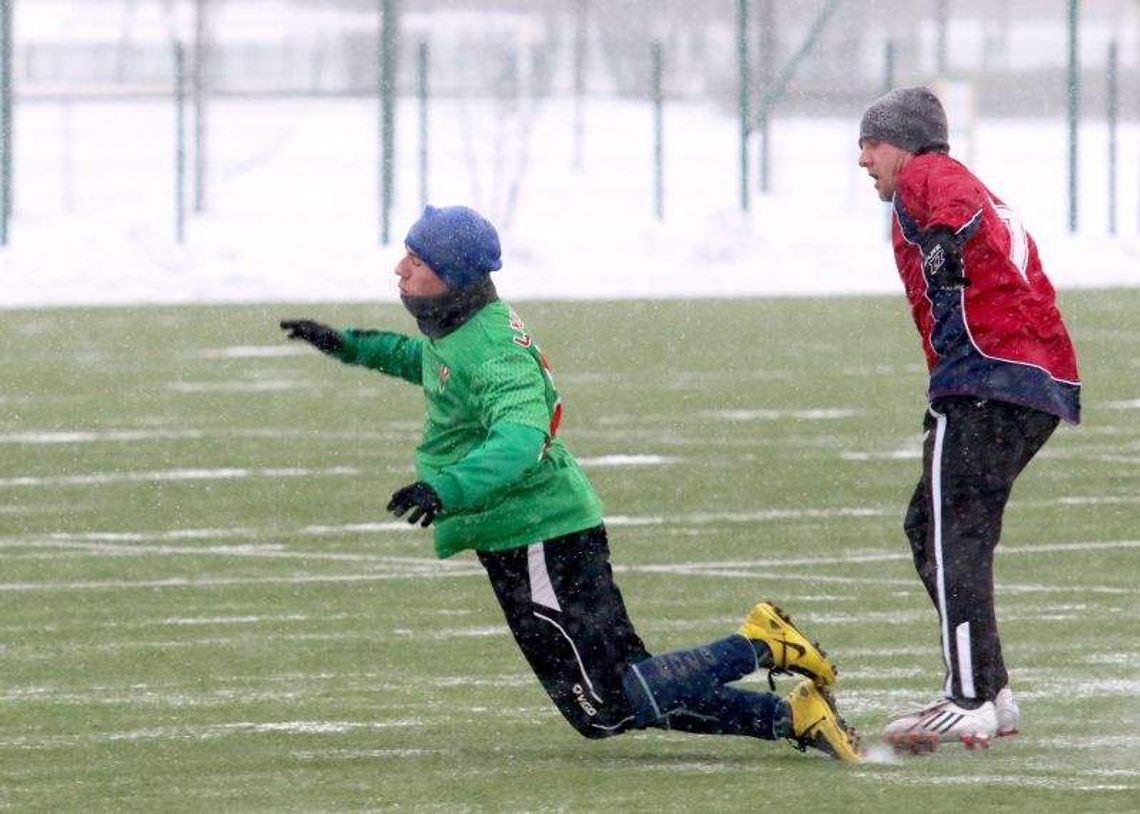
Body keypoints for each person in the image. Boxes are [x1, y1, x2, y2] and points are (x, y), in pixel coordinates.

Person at [280, 204, 861, 762]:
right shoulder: (463, 331)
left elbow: (519, 437)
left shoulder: (494, 353)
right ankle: (791, 717)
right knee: (605, 704)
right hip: (521, 535)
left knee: (613, 699)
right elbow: (431, 364)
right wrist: (349, 345)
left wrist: (446, 488)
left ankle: (760, 645)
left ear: (453, 279)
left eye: (417, 261)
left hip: (542, 535)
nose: (401, 269)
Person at [857, 87, 1081, 753]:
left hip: (987, 377)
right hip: (1028, 379)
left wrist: (947, 242)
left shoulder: (928, 174)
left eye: (873, 143)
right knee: (932, 527)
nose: (864, 158)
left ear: (906, 142)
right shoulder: (951, 183)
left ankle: (967, 697)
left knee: (952, 531)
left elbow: (951, 207)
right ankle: (992, 691)